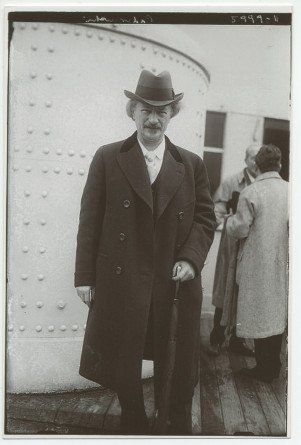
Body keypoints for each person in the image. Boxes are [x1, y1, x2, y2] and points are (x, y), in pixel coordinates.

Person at [74, 70, 216, 435]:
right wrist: (85, 277)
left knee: (180, 363)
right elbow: (90, 219)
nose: (153, 119)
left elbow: (204, 218)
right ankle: (134, 423)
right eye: (146, 111)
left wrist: (190, 258)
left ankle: (176, 425)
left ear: (172, 116)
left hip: (173, 283)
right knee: (125, 361)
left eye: (162, 112)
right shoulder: (108, 158)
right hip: (124, 282)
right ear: (132, 112)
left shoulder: (191, 164)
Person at [226, 144, 288, 383]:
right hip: (282, 261)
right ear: (280, 165)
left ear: (257, 165)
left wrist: (230, 220)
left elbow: (240, 229)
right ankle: (274, 364)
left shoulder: (251, 192)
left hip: (257, 262)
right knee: (276, 313)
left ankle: (264, 368)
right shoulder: (291, 190)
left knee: (261, 314)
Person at [208, 144, 260, 356]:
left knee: (245, 293)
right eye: (252, 158)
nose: (256, 163)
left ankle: (238, 342)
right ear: (246, 159)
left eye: (259, 159)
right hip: (231, 247)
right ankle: (216, 339)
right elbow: (216, 209)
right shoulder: (232, 182)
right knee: (225, 291)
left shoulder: (265, 184)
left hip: (253, 248)